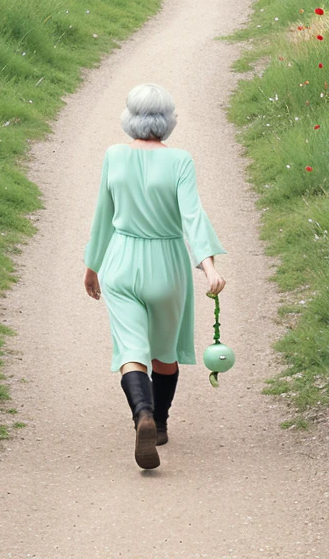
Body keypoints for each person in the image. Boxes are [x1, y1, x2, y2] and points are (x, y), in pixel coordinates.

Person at [83, 83, 226, 470]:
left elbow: (102, 217)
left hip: (121, 263)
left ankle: (141, 414)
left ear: (129, 119)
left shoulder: (114, 156)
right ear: (168, 121)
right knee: (164, 352)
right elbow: (193, 217)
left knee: (131, 351)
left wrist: (92, 266)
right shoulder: (180, 161)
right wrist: (209, 266)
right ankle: (159, 423)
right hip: (167, 265)